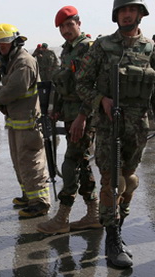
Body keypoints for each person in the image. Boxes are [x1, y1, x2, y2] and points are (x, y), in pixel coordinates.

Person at [76, 0, 155, 268]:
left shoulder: (150, 49)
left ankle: (119, 226)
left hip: (138, 128)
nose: (126, 15)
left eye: (131, 10)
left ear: (140, 14)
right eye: (122, 10)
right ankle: (112, 239)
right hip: (110, 127)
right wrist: (101, 100)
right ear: (116, 15)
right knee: (112, 181)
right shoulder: (102, 46)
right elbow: (82, 83)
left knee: (129, 181)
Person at [36, 6, 101, 235]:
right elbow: (64, 85)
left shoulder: (88, 49)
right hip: (71, 114)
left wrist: (82, 117)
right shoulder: (66, 51)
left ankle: (62, 218)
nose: (65, 30)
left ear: (79, 23)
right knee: (82, 163)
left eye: (69, 24)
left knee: (70, 163)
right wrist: (57, 110)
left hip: (85, 115)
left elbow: (93, 86)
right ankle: (93, 214)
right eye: (62, 27)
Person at [0, 23, 50, 218]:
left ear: (14, 42)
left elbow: (15, 88)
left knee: (31, 162)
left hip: (28, 123)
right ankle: (28, 195)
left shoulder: (24, 62)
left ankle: (39, 202)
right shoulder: (10, 61)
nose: (1, 49)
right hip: (16, 122)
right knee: (19, 161)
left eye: (4, 45)